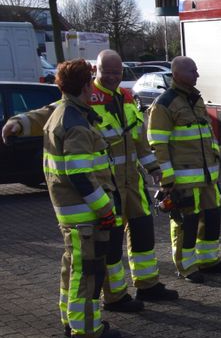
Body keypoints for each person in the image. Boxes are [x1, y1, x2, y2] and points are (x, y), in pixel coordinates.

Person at [3, 50, 178, 309]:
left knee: (143, 237)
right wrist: (19, 122)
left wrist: (156, 171)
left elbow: (139, 141)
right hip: (108, 187)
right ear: (96, 71)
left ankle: (148, 285)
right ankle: (115, 296)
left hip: (133, 184)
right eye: (107, 71)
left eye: (117, 72)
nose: (112, 76)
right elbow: (49, 113)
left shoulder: (127, 98)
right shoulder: (85, 97)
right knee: (111, 246)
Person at [42, 60, 121, 338]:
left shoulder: (64, 113)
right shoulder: (75, 123)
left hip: (71, 212)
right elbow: (80, 176)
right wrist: (106, 210)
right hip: (84, 213)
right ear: (86, 85)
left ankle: (71, 320)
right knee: (87, 274)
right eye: (90, 82)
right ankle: (87, 329)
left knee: (73, 269)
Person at [147, 57, 221, 283]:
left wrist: (215, 161)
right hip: (183, 181)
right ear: (177, 74)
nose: (197, 75)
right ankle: (186, 266)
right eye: (192, 71)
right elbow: (158, 145)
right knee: (186, 223)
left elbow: (207, 135)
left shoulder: (196, 100)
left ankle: (209, 260)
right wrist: (166, 180)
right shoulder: (164, 104)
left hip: (207, 177)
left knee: (212, 219)